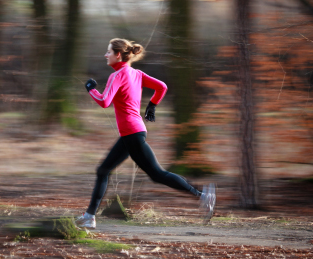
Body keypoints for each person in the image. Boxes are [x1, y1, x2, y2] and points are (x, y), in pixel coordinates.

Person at [76, 38, 216, 229]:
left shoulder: (116, 76)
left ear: (118, 55)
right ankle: (89, 216)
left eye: (108, 51)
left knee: (154, 173)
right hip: (134, 132)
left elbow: (104, 101)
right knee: (112, 171)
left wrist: (91, 90)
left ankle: (202, 195)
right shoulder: (137, 74)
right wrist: (152, 106)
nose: (105, 55)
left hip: (132, 134)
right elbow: (162, 87)